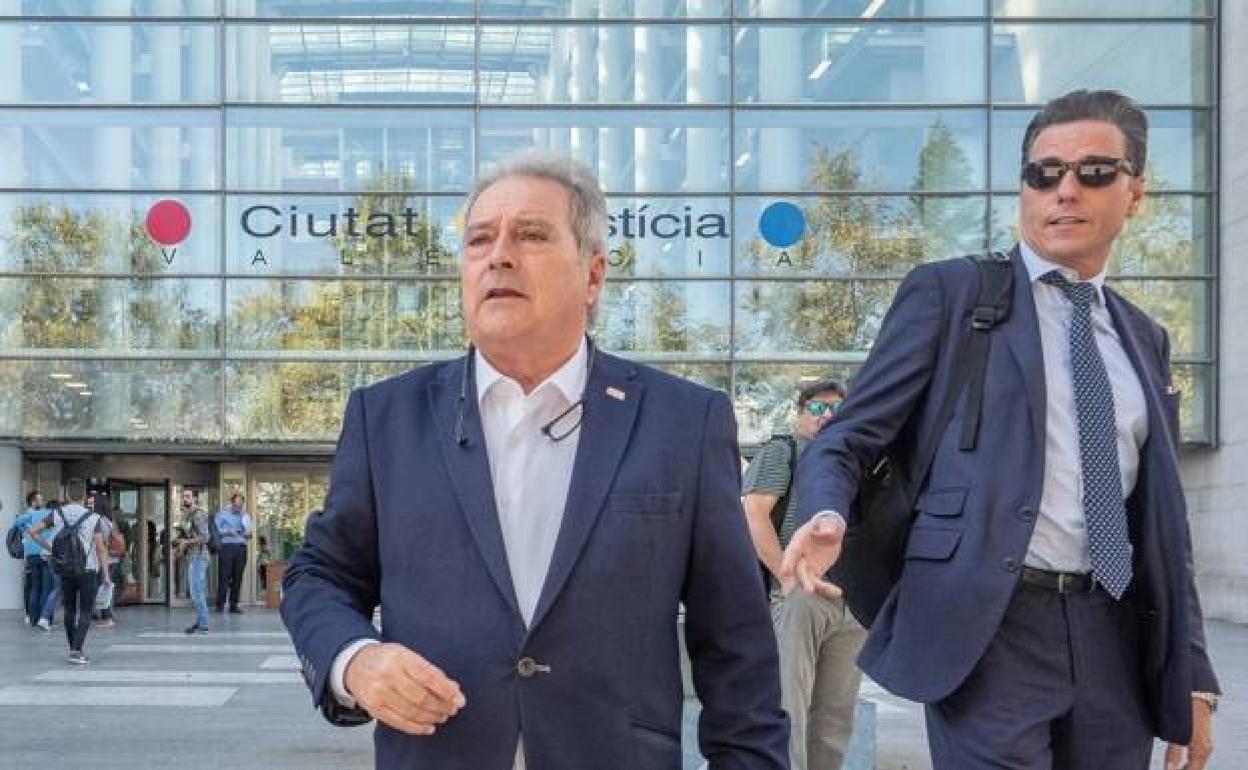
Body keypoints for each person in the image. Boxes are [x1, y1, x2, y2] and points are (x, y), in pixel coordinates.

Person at [281, 150, 788, 770]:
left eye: (531, 234)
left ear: (594, 275)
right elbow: (320, 575)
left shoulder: (684, 422)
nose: (498, 254)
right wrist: (354, 659)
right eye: (479, 240)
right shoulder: (385, 418)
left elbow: (737, 645)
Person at [782, 90, 1219, 770]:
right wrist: (825, 511)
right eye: (1044, 173)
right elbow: (847, 436)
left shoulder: (1144, 338)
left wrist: (1193, 675)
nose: (1065, 190)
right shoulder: (952, 295)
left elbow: (1165, 525)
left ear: (1135, 193)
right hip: (988, 630)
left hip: (1116, 637)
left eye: (1094, 172)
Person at [743, 380, 865, 770]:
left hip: (852, 601)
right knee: (788, 709)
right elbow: (754, 513)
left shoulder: (855, 459)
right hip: (801, 595)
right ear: (800, 413)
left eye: (835, 409)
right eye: (816, 408)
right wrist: (787, 576)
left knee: (835, 717)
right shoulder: (785, 451)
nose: (826, 415)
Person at [28, 480, 110, 665]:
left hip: (64, 569)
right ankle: (76, 650)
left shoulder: (56, 514)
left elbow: (33, 532)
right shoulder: (93, 517)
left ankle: (73, 648)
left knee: (70, 609)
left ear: (66, 496)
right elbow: (100, 547)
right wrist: (106, 573)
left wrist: (50, 548)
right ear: (84, 497)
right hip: (87, 569)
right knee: (86, 610)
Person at [174, 488, 211, 635]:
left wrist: (186, 542)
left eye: (188, 496)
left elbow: (205, 537)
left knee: (197, 592)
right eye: (184, 496)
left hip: (199, 556)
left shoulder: (199, 514)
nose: (185, 499)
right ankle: (201, 620)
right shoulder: (187, 515)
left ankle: (203, 624)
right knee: (196, 591)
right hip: (193, 556)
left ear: (195, 498)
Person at [14, 492, 53, 629]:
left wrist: (25, 528)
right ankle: (45, 617)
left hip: (31, 554)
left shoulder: (30, 515)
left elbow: (16, 522)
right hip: (45, 552)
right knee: (46, 588)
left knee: (35, 587)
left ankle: (33, 618)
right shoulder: (52, 514)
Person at [215, 493, 252, 614]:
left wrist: (247, 533)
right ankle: (220, 605)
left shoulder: (245, 516)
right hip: (226, 548)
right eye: (236, 505)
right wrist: (228, 531)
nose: (238, 507)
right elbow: (216, 531)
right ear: (232, 503)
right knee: (224, 577)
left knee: (237, 577)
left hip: (241, 548)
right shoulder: (222, 515)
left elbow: (249, 534)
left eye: (240, 505)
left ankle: (233, 605)